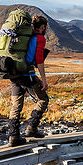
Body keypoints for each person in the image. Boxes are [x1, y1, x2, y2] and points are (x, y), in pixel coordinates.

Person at [8, 14, 50, 146]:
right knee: (43, 99)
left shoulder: (26, 36)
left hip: (14, 74)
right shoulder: (40, 38)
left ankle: (13, 137)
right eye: (45, 27)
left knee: (16, 105)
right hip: (27, 75)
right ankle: (31, 128)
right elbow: (39, 60)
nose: (46, 29)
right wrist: (44, 80)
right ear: (42, 27)